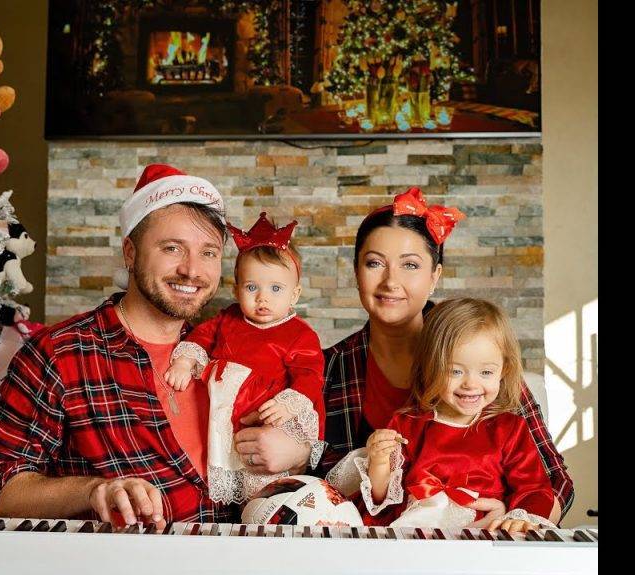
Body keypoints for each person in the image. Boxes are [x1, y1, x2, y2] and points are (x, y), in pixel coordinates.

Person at [232, 187, 574, 523]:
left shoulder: (478, 352)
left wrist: (508, 521)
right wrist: (296, 454)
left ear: (435, 276)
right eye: (374, 263)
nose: (390, 281)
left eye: (410, 265)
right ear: (356, 272)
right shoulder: (327, 367)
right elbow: (319, 493)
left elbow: (554, 481)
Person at [0, 163, 239, 527]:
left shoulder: (226, 354)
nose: (192, 270)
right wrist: (93, 490)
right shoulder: (58, 354)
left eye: (209, 252)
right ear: (130, 252)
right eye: (172, 248)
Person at [345, 298, 555, 532]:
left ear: (503, 370)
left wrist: (519, 518)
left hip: (485, 533)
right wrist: (379, 462)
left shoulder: (509, 429)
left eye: (486, 372)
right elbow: (382, 498)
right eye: (455, 371)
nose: (470, 384)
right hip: (418, 530)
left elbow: (534, 488)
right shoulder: (407, 424)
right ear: (431, 367)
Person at [164, 213, 325, 504]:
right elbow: (202, 336)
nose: (263, 298)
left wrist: (288, 404)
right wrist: (185, 361)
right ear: (237, 290)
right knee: (222, 467)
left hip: (266, 417)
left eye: (276, 289)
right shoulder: (228, 318)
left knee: (262, 484)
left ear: (295, 294)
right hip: (224, 417)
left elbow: (309, 375)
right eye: (252, 287)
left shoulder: (299, 335)